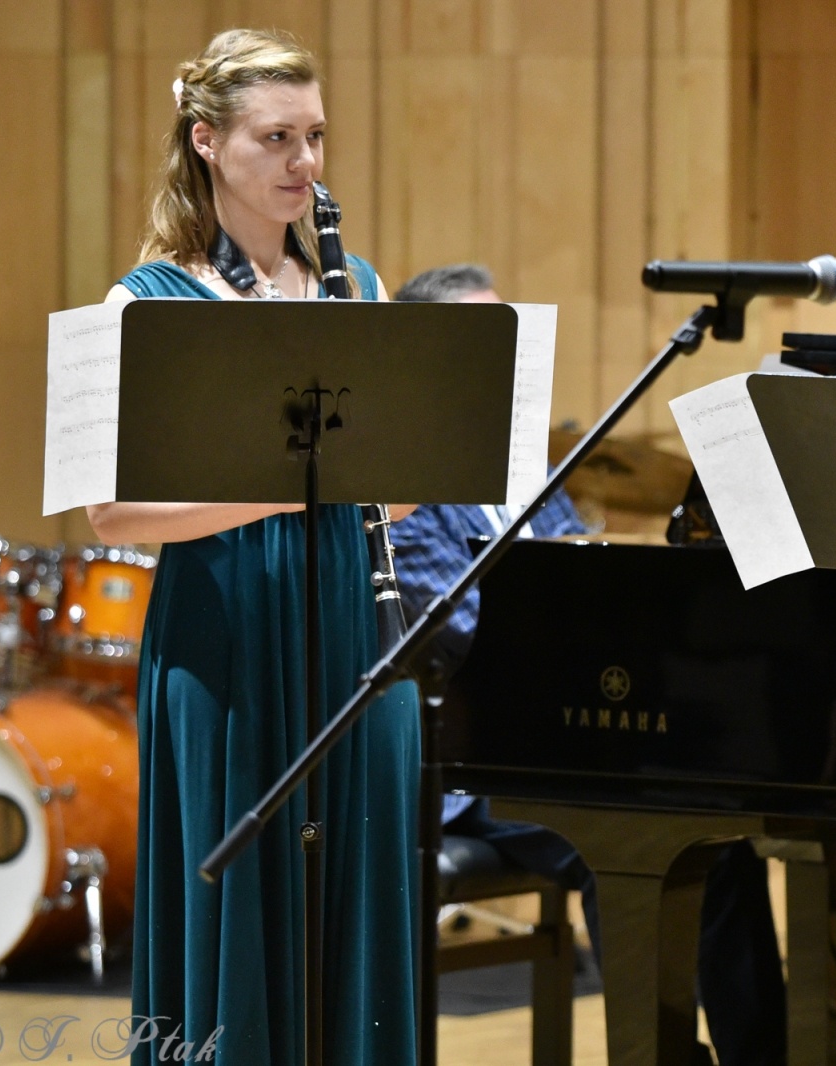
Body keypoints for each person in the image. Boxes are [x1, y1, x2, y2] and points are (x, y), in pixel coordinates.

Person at [88, 29, 420, 1066]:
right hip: (223, 637)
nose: (304, 164)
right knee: (237, 895)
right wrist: (278, 489)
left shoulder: (351, 283)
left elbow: (396, 497)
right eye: (276, 138)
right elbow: (113, 514)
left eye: (314, 136)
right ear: (206, 144)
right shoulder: (145, 304)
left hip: (348, 628)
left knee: (355, 901)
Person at [390, 263, 789, 1066]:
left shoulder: (526, 467)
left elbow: (580, 584)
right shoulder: (406, 484)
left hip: (559, 737)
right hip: (466, 763)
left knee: (722, 841)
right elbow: (464, 637)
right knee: (632, 846)